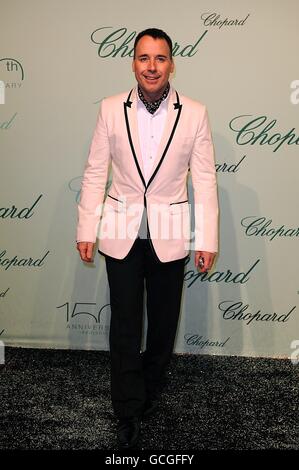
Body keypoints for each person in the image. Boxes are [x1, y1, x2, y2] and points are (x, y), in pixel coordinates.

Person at [76, 28, 219, 449]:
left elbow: (206, 180)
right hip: (120, 230)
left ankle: (151, 387)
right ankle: (128, 407)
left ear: (171, 63)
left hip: (171, 232)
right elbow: (95, 171)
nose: (151, 66)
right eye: (143, 58)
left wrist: (206, 238)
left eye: (159, 58)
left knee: (161, 325)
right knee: (124, 324)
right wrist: (87, 227)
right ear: (133, 63)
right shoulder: (108, 109)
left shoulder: (194, 112)